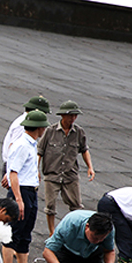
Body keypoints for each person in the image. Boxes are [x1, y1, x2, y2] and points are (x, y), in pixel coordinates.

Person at [2, 109, 50, 263]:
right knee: (13, 233)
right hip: (21, 191)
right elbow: (13, 172)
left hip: (30, 190)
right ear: (38, 128)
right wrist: (18, 199)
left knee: (25, 234)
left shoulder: (31, 144)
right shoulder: (22, 144)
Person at [37, 100, 95, 235]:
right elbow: (40, 151)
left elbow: (84, 150)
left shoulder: (79, 132)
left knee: (76, 206)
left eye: (75, 116)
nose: (73, 119)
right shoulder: (50, 131)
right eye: (70, 115)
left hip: (70, 174)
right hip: (52, 174)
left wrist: (90, 167)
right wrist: (36, 170)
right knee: (50, 206)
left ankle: (76, 231)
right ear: (62, 116)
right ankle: (52, 232)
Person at [42, 211, 115, 263]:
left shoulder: (109, 230)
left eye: (102, 239)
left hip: (92, 252)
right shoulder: (69, 225)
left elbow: (109, 251)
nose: (98, 241)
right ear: (87, 227)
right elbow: (47, 252)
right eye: (95, 238)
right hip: (67, 250)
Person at [0, 96, 51, 188]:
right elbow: (13, 147)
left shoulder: (22, 120)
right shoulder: (24, 124)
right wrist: (9, 173)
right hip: (16, 167)